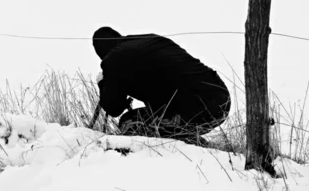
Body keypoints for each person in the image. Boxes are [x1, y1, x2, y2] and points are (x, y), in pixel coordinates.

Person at [93, 26, 231, 145]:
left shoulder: (113, 59)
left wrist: (102, 83)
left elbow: (114, 108)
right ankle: (191, 143)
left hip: (195, 108)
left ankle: (188, 150)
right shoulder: (150, 39)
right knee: (155, 117)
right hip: (221, 98)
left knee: (129, 123)